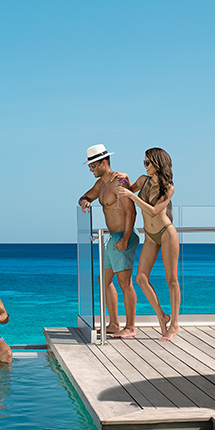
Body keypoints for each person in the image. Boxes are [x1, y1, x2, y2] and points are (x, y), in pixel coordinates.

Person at [116, 147, 181, 341]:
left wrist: (133, 197)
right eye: (144, 162)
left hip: (167, 233)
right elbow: (128, 190)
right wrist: (123, 178)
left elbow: (154, 211)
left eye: (147, 163)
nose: (145, 166)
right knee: (141, 278)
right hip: (151, 236)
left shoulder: (169, 188)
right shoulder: (143, 181)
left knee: (171, 280)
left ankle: (175, 324)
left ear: (158, 164)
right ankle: (162, 315)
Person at [78, 143, 139, 338]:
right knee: (103, 280)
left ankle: (130, 327)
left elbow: (131, 212)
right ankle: (113, 323)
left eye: (93, 165)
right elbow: (85, 196)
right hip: (112, 237)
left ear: (104, 163)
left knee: (125, 282)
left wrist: (125, 239)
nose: (90, 169)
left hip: (124, 236)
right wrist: (85, 202)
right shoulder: (100, 185)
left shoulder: (119, 182)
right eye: (89, 166)